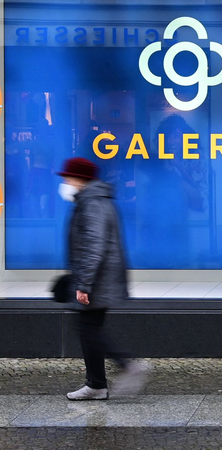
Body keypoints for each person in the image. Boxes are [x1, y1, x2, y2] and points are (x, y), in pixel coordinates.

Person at [58, 157, 150, 400]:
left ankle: (126, 367)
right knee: (89, 329)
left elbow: (94, 246)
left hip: (97, 280)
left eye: (68, 178)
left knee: (88, 329)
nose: (65, 183)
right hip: (97, 278)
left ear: (80, 179)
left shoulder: (93, 203)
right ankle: (97, 384)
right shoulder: (91, 201)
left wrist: (84, 284)